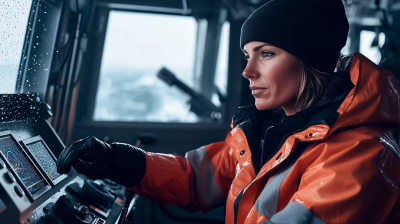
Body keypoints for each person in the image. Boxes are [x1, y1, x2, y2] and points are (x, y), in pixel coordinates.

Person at [57, 0, 400, 223]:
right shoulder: (269, 129)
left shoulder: (360, 157)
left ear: (308, 60)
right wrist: (118, 161)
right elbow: (195, 179)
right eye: (247, 55)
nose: (247, 71)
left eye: (266, 54)